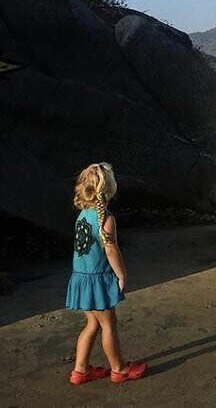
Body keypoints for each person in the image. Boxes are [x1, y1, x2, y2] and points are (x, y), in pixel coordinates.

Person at [65, 162, 147, 385]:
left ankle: (80, 370)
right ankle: (119, 369)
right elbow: (110, 250)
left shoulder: (82, 215)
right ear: (110, 190)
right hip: (98, 281)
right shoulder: (106, 219)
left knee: (92, 324)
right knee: (108, 325)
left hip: (81, 278)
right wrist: (121, 275)